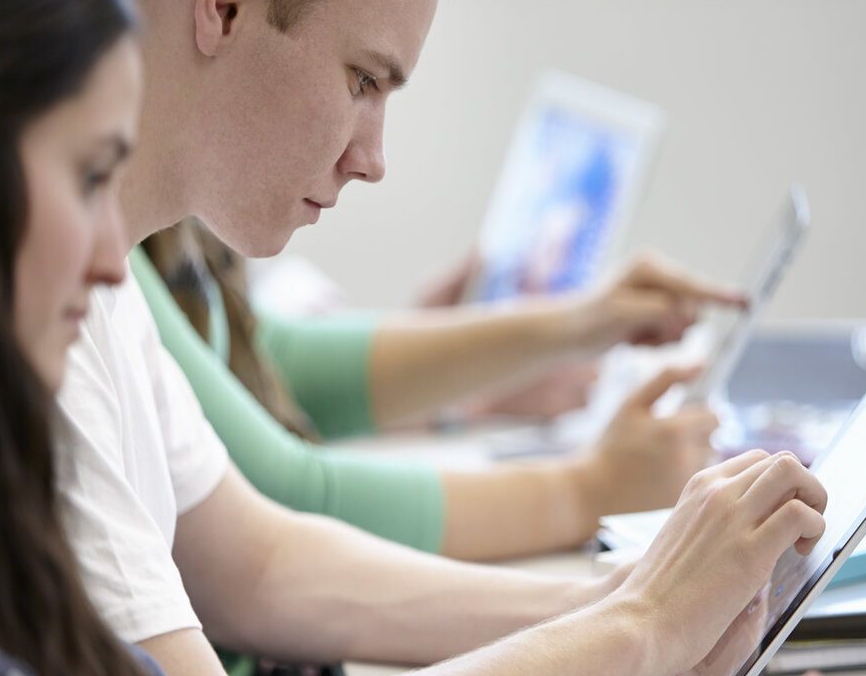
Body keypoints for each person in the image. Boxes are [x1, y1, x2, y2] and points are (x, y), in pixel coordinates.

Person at [0, 0, 835, 676]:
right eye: (363, 80)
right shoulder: (30, 347)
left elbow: (258, 566)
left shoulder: (73, 295)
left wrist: (628, 603)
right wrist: (625, 611)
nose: (374, 154)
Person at [135, 216, 730, 559]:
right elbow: (272, 503)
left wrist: (579, 323)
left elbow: (266, 361)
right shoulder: (112, 255)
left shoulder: (165, 229)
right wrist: (593, 491)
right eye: (361, 79)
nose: (373, 158)